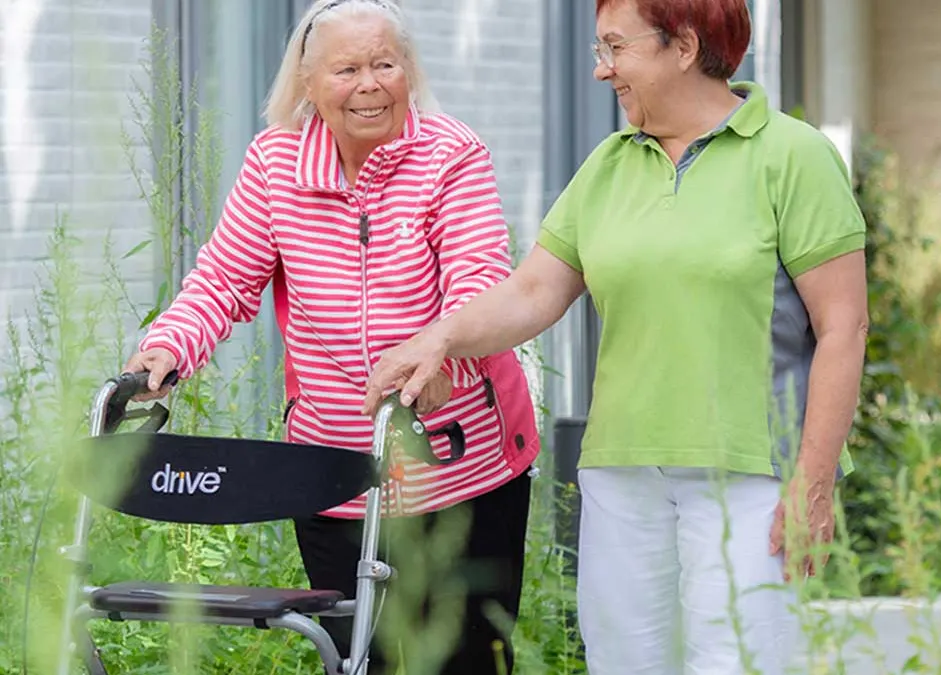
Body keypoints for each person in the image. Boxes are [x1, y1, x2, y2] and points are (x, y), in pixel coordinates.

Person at [361, 0, 870, 673]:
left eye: (615, 48)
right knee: (623, 661)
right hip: (621, 470)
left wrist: (814, 480)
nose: (602, 70)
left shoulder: (792, 156)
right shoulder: (608, 164)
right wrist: (441, 337)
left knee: (737, 662)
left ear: (682, 46)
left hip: (750, 473)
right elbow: (534, 291)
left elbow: (844, 326)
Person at [121, 0, 540, 672]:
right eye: (347, 68)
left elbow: (479, 280)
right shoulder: (275, 163)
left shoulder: (450, 156)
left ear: (409, 72)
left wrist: (443, 352)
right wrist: (168, 346)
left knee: (466, 659)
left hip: (462, 467)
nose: (370, 83)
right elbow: (225, 278)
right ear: (309, 84)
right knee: (354, 656)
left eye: (385, 63)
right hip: (335, 465)